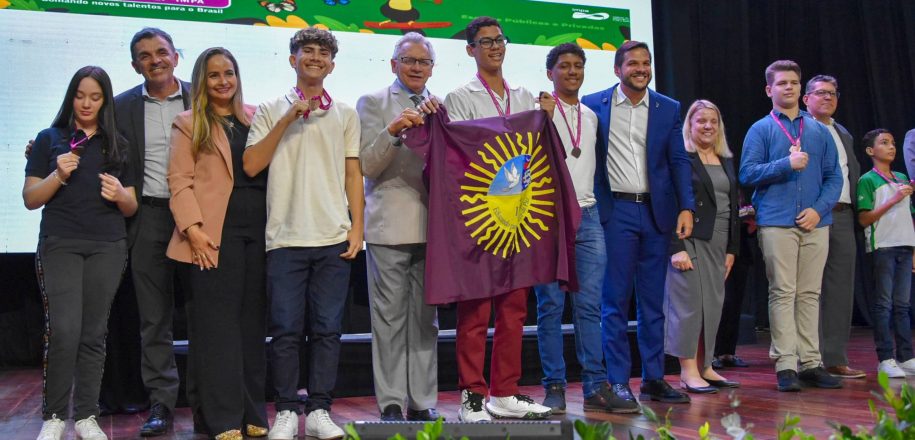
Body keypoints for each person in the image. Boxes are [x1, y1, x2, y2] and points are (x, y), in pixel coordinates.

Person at [243, 27, 363, 440]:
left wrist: (357, 228)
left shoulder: (345, 113)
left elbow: (353, 174)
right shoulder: (270, 109)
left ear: (332, 64)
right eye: (307, 51)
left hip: (332, 236)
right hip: (284, 238)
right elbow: (252, 165)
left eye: (323, 53)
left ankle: (319, 410)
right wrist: (286, 120)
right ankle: (285, 411)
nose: (315, 57)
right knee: (285, 330)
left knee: (328, 329)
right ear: (292, 59)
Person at [442, 16, 555, 422]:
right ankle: (472, 396)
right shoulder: (459, 96)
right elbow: (460, 156)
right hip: (480, 215)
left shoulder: (525, 95)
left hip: (520, 215)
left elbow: (535, 152)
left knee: (514, 308)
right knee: (475, 311)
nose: (495, 47)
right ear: (470, 50)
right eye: (485, 42)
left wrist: (546, 118)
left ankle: (504, 391)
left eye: (500, 40)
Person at [25, 66, 138, 440]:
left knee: (93, 332)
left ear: (105, 100)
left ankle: (87, 416)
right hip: (60, 243)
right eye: (80, 95)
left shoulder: (118, 143)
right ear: (70, 97)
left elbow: (132, 205)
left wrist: (121, 197)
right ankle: (55, 415)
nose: (87, 103)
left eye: (95, 96)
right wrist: (57, 175)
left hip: (108, 245)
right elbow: (30, 199)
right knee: (64, 330)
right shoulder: (49, 139)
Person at [581, 40, 695, 406]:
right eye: (633, 63)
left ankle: (654, 378)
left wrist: (686, 207)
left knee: (653, 303)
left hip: (656, 212)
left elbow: (678, 161)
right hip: (615, 213)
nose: (641, 68)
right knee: (614, 300)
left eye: (646, 63)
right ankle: (617, 381)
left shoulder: (668, 108)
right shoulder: (593, 105)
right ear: (618, 69)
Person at [165, 47, 267, 440]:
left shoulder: (257, 117)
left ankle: (253, 412)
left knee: (251, 327)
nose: (223, 81)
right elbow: (179, 181)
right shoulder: (188, 122)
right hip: (211, 237)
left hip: (256, 235)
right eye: (214, 75)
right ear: (201, 81)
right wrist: (193, 230)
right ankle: (222, 418)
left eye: (229, 73)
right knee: (217, 330)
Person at [533, 43, 638, 415]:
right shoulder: (538, 110)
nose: (572, 72)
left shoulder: (591, 116)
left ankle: (595, 384)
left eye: (578, 66)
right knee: (549, 307)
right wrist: (541, 118)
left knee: (590, 306)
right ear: (550, 73)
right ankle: (555, 386)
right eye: (564, 66)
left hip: (588, 216)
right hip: (547, 217)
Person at [739, 60, 843, 392]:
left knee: (810, 294)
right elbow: (747, 173)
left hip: (816, 222)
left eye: (795, 83)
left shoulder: (818, 131)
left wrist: (818, 209)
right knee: (783, 292)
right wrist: (786, 163)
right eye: (782, 83)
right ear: (769, 90)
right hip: (776, 221)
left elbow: (834, 177)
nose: (789, 88)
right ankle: (786, 365)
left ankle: (811, 363)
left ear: (801, 88)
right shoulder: (761, 129)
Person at [356, 32, 441, 422]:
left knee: (426, 320)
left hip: (433, 227)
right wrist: (393, 130)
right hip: (388, 226)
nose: (417, 67)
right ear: (394, 64)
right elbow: (366, 166)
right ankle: (391, 401)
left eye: (424, 62)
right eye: (409, 60)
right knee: (388, 319)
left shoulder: (441, 106)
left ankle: (422, 402)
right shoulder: (373, 102)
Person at [115, 28, 192, 436]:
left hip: (199, 218)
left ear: (176, 56)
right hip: (148, 218)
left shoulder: (206, 95)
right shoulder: (119, 106)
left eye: (162, 52)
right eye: (145, 56)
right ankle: (161, 403)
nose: (155, 60)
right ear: (135, 65)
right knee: (154, 319)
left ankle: (208, 399)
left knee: (206, 314)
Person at [664, 100, 740, 393]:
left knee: (712, 306)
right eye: (701, 121)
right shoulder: (682, 157)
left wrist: (732, 249)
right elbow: (670, 202)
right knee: (689, 307)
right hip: (690, 239)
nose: (708, 126)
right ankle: (688, 371)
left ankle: (707, 366)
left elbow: (733, 206)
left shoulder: (725, 159)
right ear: (690, 125)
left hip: (720, 242)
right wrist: (676, 247)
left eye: (713, 121)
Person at [802, 75, 865, 379]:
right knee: (807, 288)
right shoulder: (797, 129)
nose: (827, 97)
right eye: (820, 93)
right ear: (806, 99)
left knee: (840, 289)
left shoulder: (843, 133)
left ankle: (835, 358)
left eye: (832, 93)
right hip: (811, 215)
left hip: (842, 214)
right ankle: (806, 358)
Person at [857, 129, 915, 378]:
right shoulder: (868, 180)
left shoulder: (901, 177)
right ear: (871, 151)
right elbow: (864, 218)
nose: (891, 147)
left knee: (903, 305)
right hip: (883, 247)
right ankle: (886, 357)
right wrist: (893, 199)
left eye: (892, 143)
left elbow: (909, 217)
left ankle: (906, 356)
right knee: (884, 305)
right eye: (884, 143)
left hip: (905, 246)